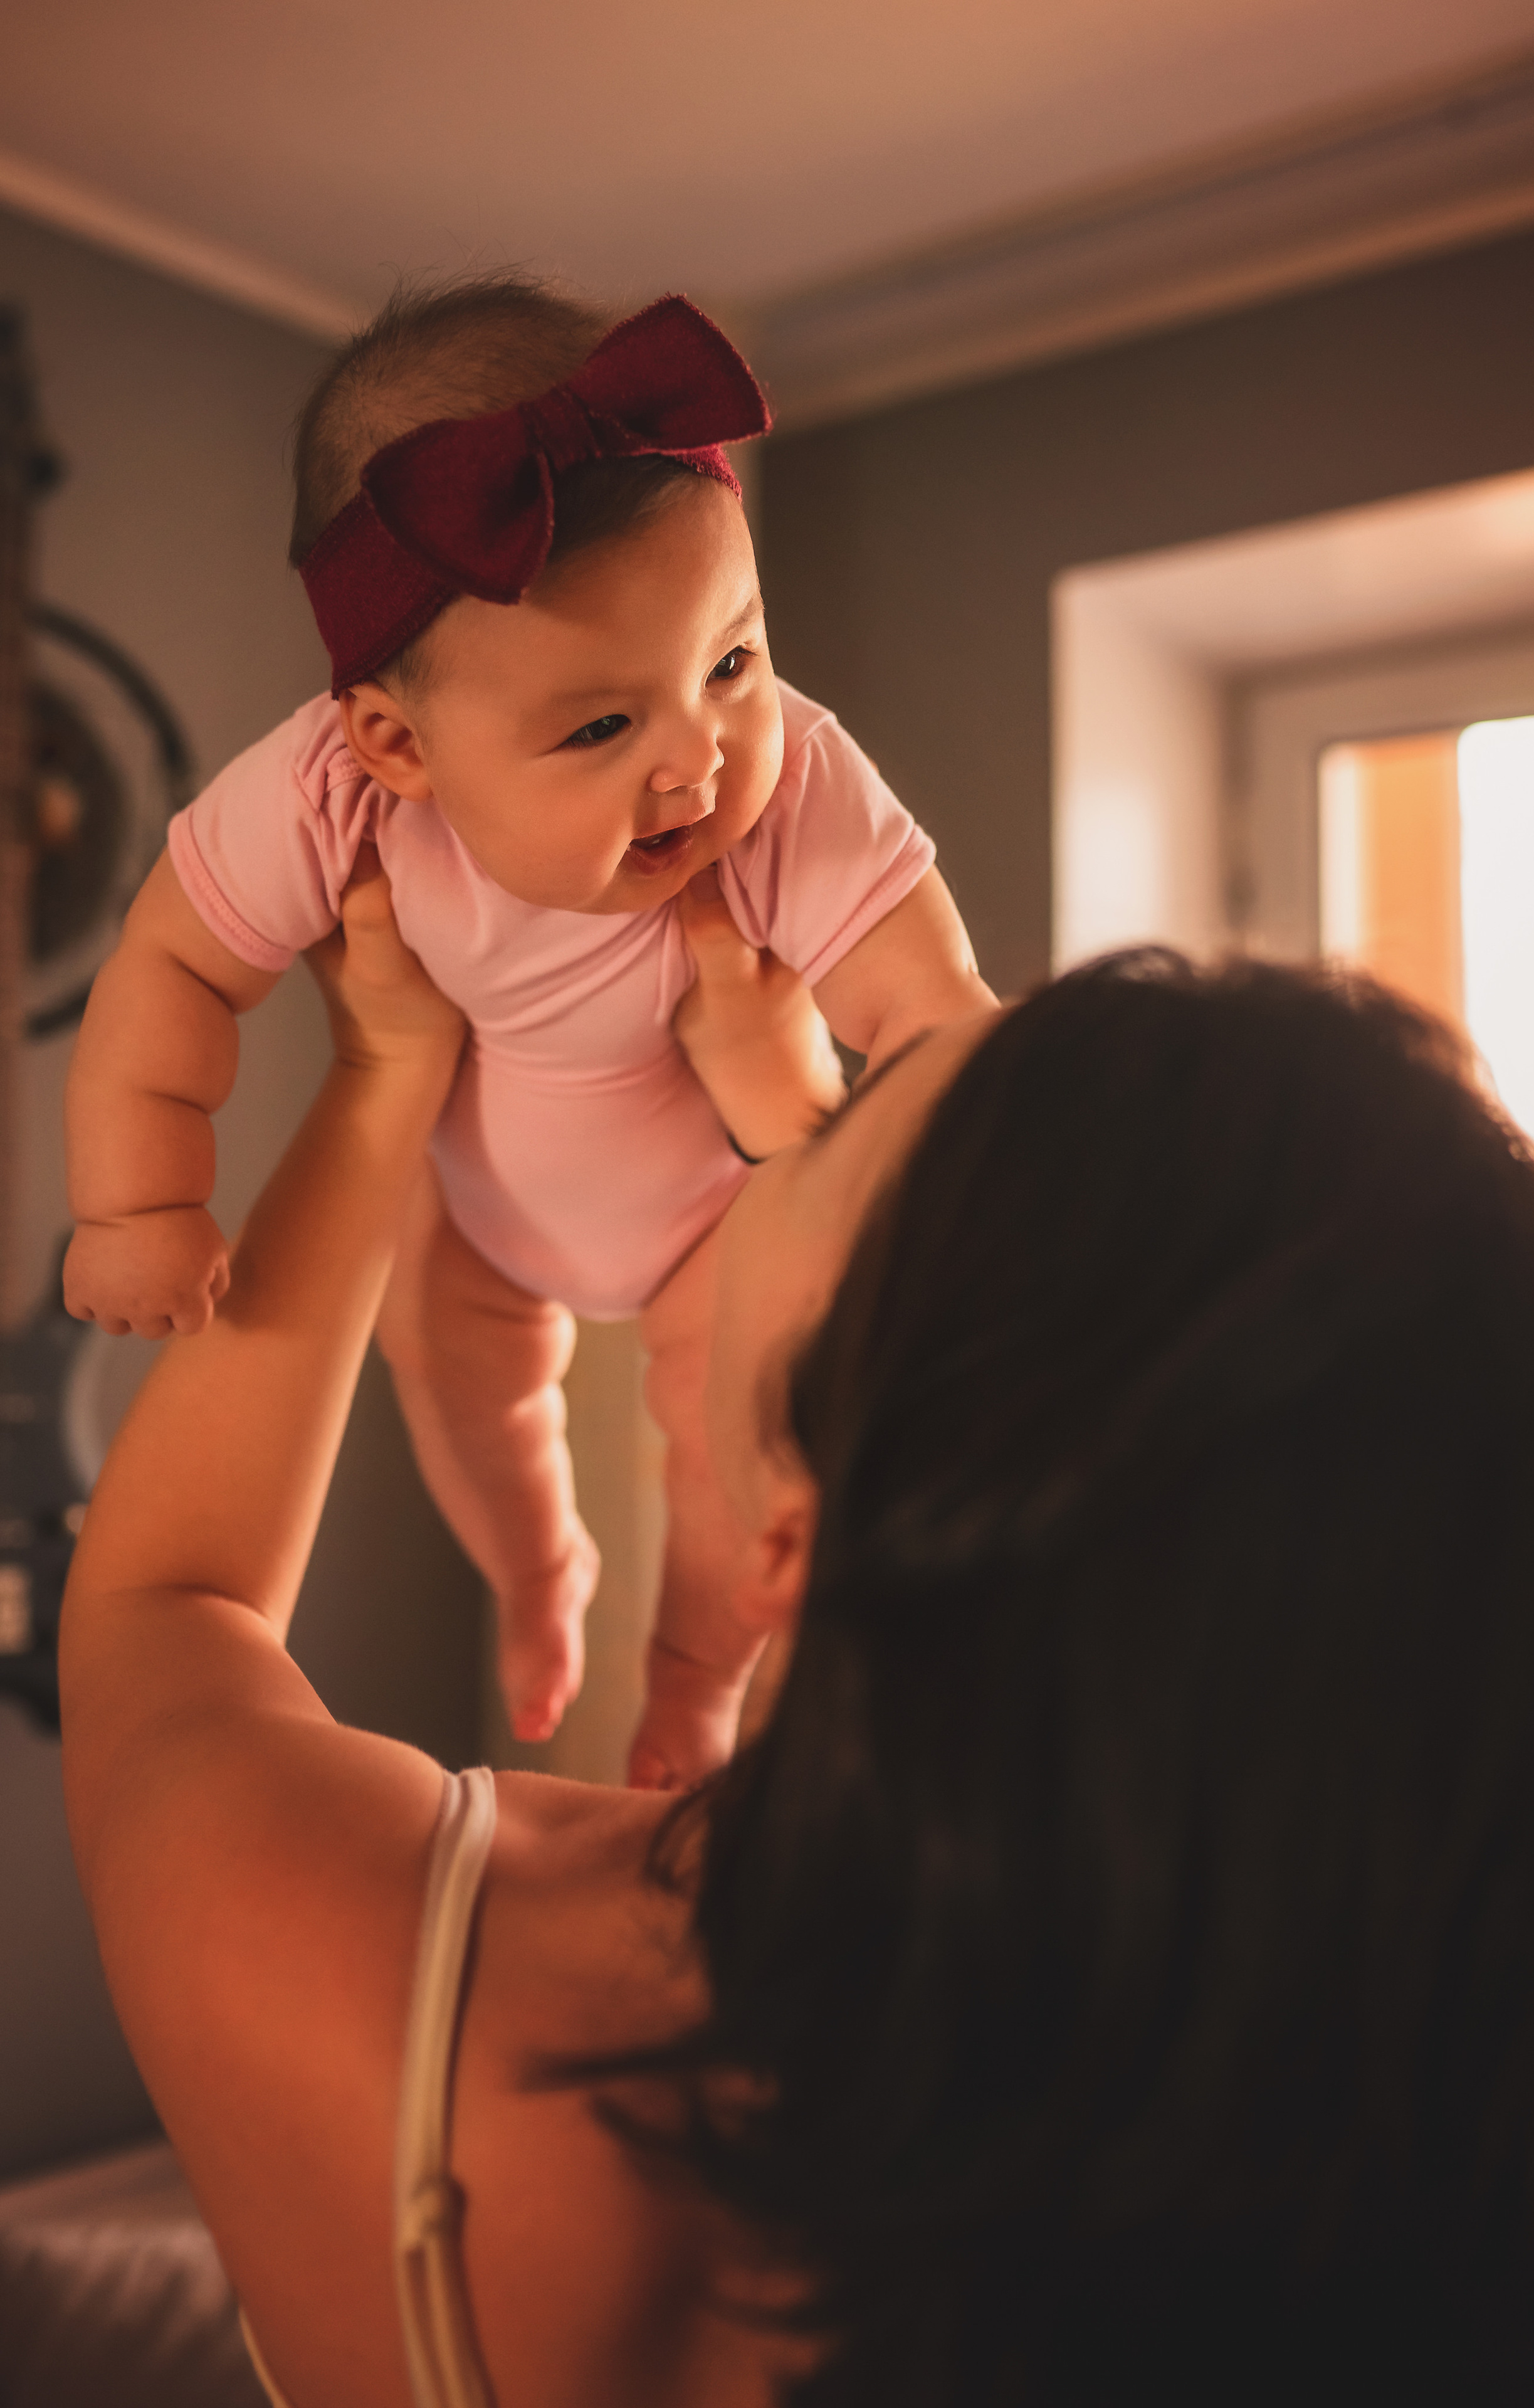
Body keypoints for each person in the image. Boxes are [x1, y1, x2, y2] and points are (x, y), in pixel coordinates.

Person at [62, 868, 1534, 2407]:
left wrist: (382, 1073)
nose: (778, 1098)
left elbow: (165, 1604)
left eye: (826, 1130)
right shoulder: (1471, 2212)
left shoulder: (399, 1984)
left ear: (795, 1543)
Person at [60, 275, 994, 1789]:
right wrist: (141, 1201)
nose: (697, 763)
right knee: (455, 1384)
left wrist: (952, 1172)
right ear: (397, 743)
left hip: (712, 1219)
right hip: (478, 1219)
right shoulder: (323, 797)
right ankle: (537, 1564)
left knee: (737, 1444)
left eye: (731, 663)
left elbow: (936, 1014)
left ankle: (690, 1672)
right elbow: (169, 968)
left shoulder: (797, 787)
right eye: (600, 726)